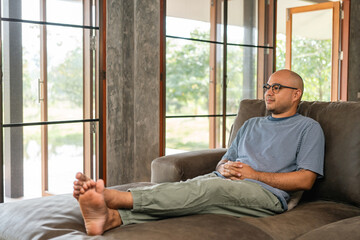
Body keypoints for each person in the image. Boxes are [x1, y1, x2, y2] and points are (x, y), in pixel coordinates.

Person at [73, 69, 325, 236]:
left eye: (277, 87)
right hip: (226, 181)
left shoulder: (308, 128)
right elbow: (223, 162)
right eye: (267, 86)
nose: (268, 92)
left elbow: (306, 179)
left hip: (267, 195)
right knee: (191, 190)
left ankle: (118, 198)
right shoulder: (251, 124)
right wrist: (223, 168)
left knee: (206, 190)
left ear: (296, 94)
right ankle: (113, 219)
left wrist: (254, 175)